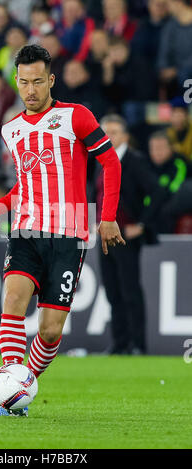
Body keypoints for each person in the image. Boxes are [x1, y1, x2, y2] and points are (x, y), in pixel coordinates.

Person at [0, 44, 125, 417]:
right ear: (15, 82)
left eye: (37, 81)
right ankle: (10, 390)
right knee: (13, 301)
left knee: (50, 332)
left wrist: (108, 215)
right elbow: (25, 186)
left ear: (51, 80)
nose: (30, 90)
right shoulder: (11, 130)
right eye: (23, 82)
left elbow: (110, 162)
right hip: (26, 232)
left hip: (69, 235)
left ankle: (21, 385)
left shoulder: (75, 116)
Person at [96, 114, 165, 355]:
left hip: (125, 234)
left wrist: (142, 224)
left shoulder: (134, 161)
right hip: (104, 234)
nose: (109, 137)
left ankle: (137, 344)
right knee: (112, 290)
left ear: (125, 136)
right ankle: (119, 343)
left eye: (114, 132)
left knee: (130, 290)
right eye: (105, 132)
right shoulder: (99, 161)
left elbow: (157, 190)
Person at [147, 131, 192, 233]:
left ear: (171, 148)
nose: (157, 152)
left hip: (178, 199)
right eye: (153, 148)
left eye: (161, 148)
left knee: (164, 210)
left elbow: (174, 188)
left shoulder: (179, 162)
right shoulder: (146, 164)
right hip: (158, 201)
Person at [166, 97, 192, 161]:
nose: (177, 118)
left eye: (180, 114)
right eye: (174, 114)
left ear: (186, 115)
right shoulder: (168, 133)